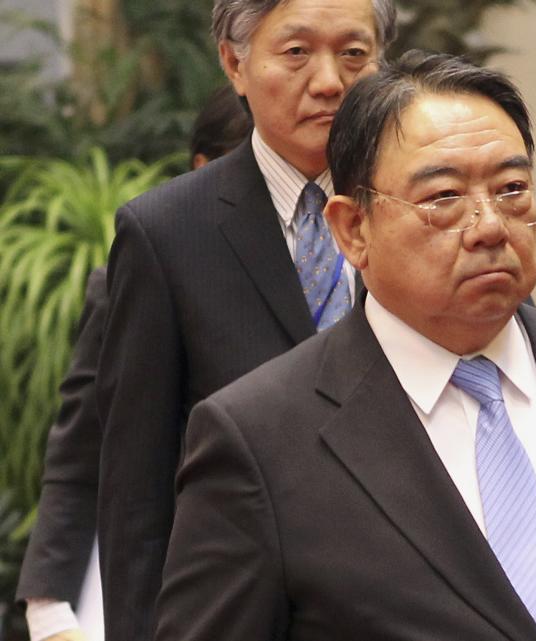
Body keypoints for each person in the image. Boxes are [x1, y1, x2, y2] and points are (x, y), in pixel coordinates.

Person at [154, 51, 536, 641]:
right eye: (444, 198)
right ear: (353, 229)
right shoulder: (260, 437)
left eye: (512, 189)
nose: (491, 226)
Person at [94, 2, 397, 640]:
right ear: (235, 63)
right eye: (296, 53)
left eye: (353, 54)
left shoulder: (425, 208)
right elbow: (136, 490)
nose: (329, 81)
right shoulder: (166, 233)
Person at [14, 84, 251, 641]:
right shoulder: (145, 266)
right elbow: (82, 447)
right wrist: (48, 608)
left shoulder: (358, 266)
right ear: (204, 167)